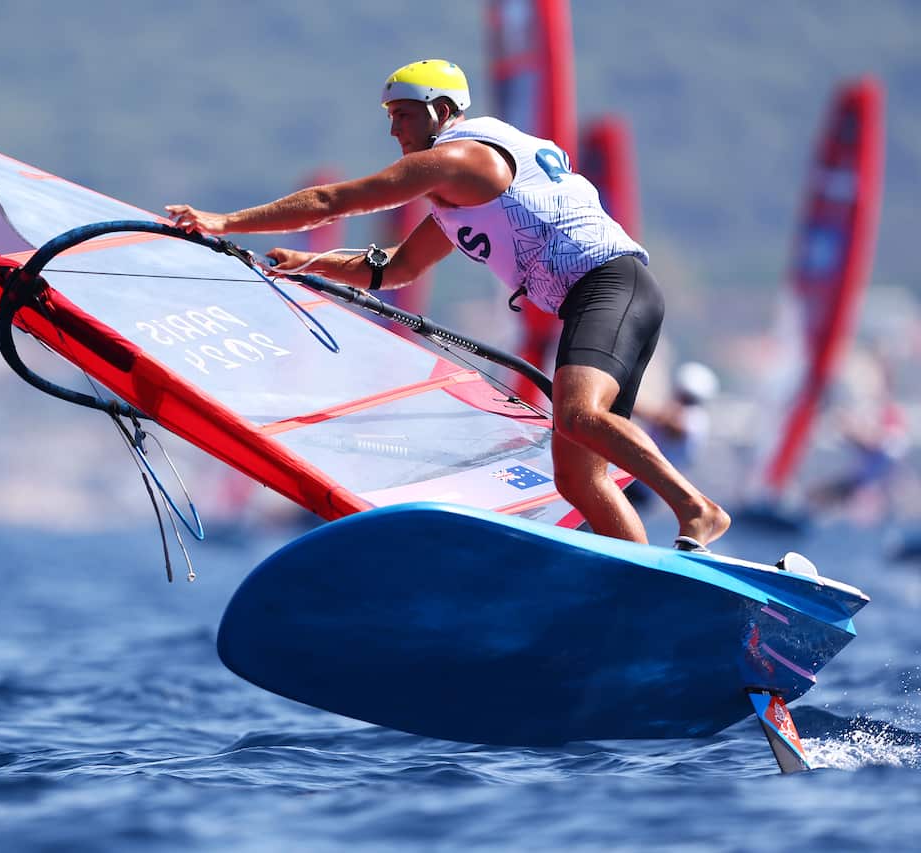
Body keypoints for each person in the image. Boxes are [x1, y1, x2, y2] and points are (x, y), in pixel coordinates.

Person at [166, 59, 730, 548]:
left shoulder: (459, 160)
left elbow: (331, 201)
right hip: (603, 297)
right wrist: (310, 264)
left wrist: (225, 222)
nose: (394, 130)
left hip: (609, 287)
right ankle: (642, 578)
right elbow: (396, 268)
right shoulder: (457, 196)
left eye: (403, 115)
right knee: (578, 479)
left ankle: (697, 509)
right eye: (388, 118)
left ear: (439, 111)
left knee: (578, 415)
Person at [628, 361, 720, 507]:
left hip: (639, 485)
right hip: (638, 481)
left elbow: (671, 425)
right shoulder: (684, 414)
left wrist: (625, 399)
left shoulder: (693, 419)